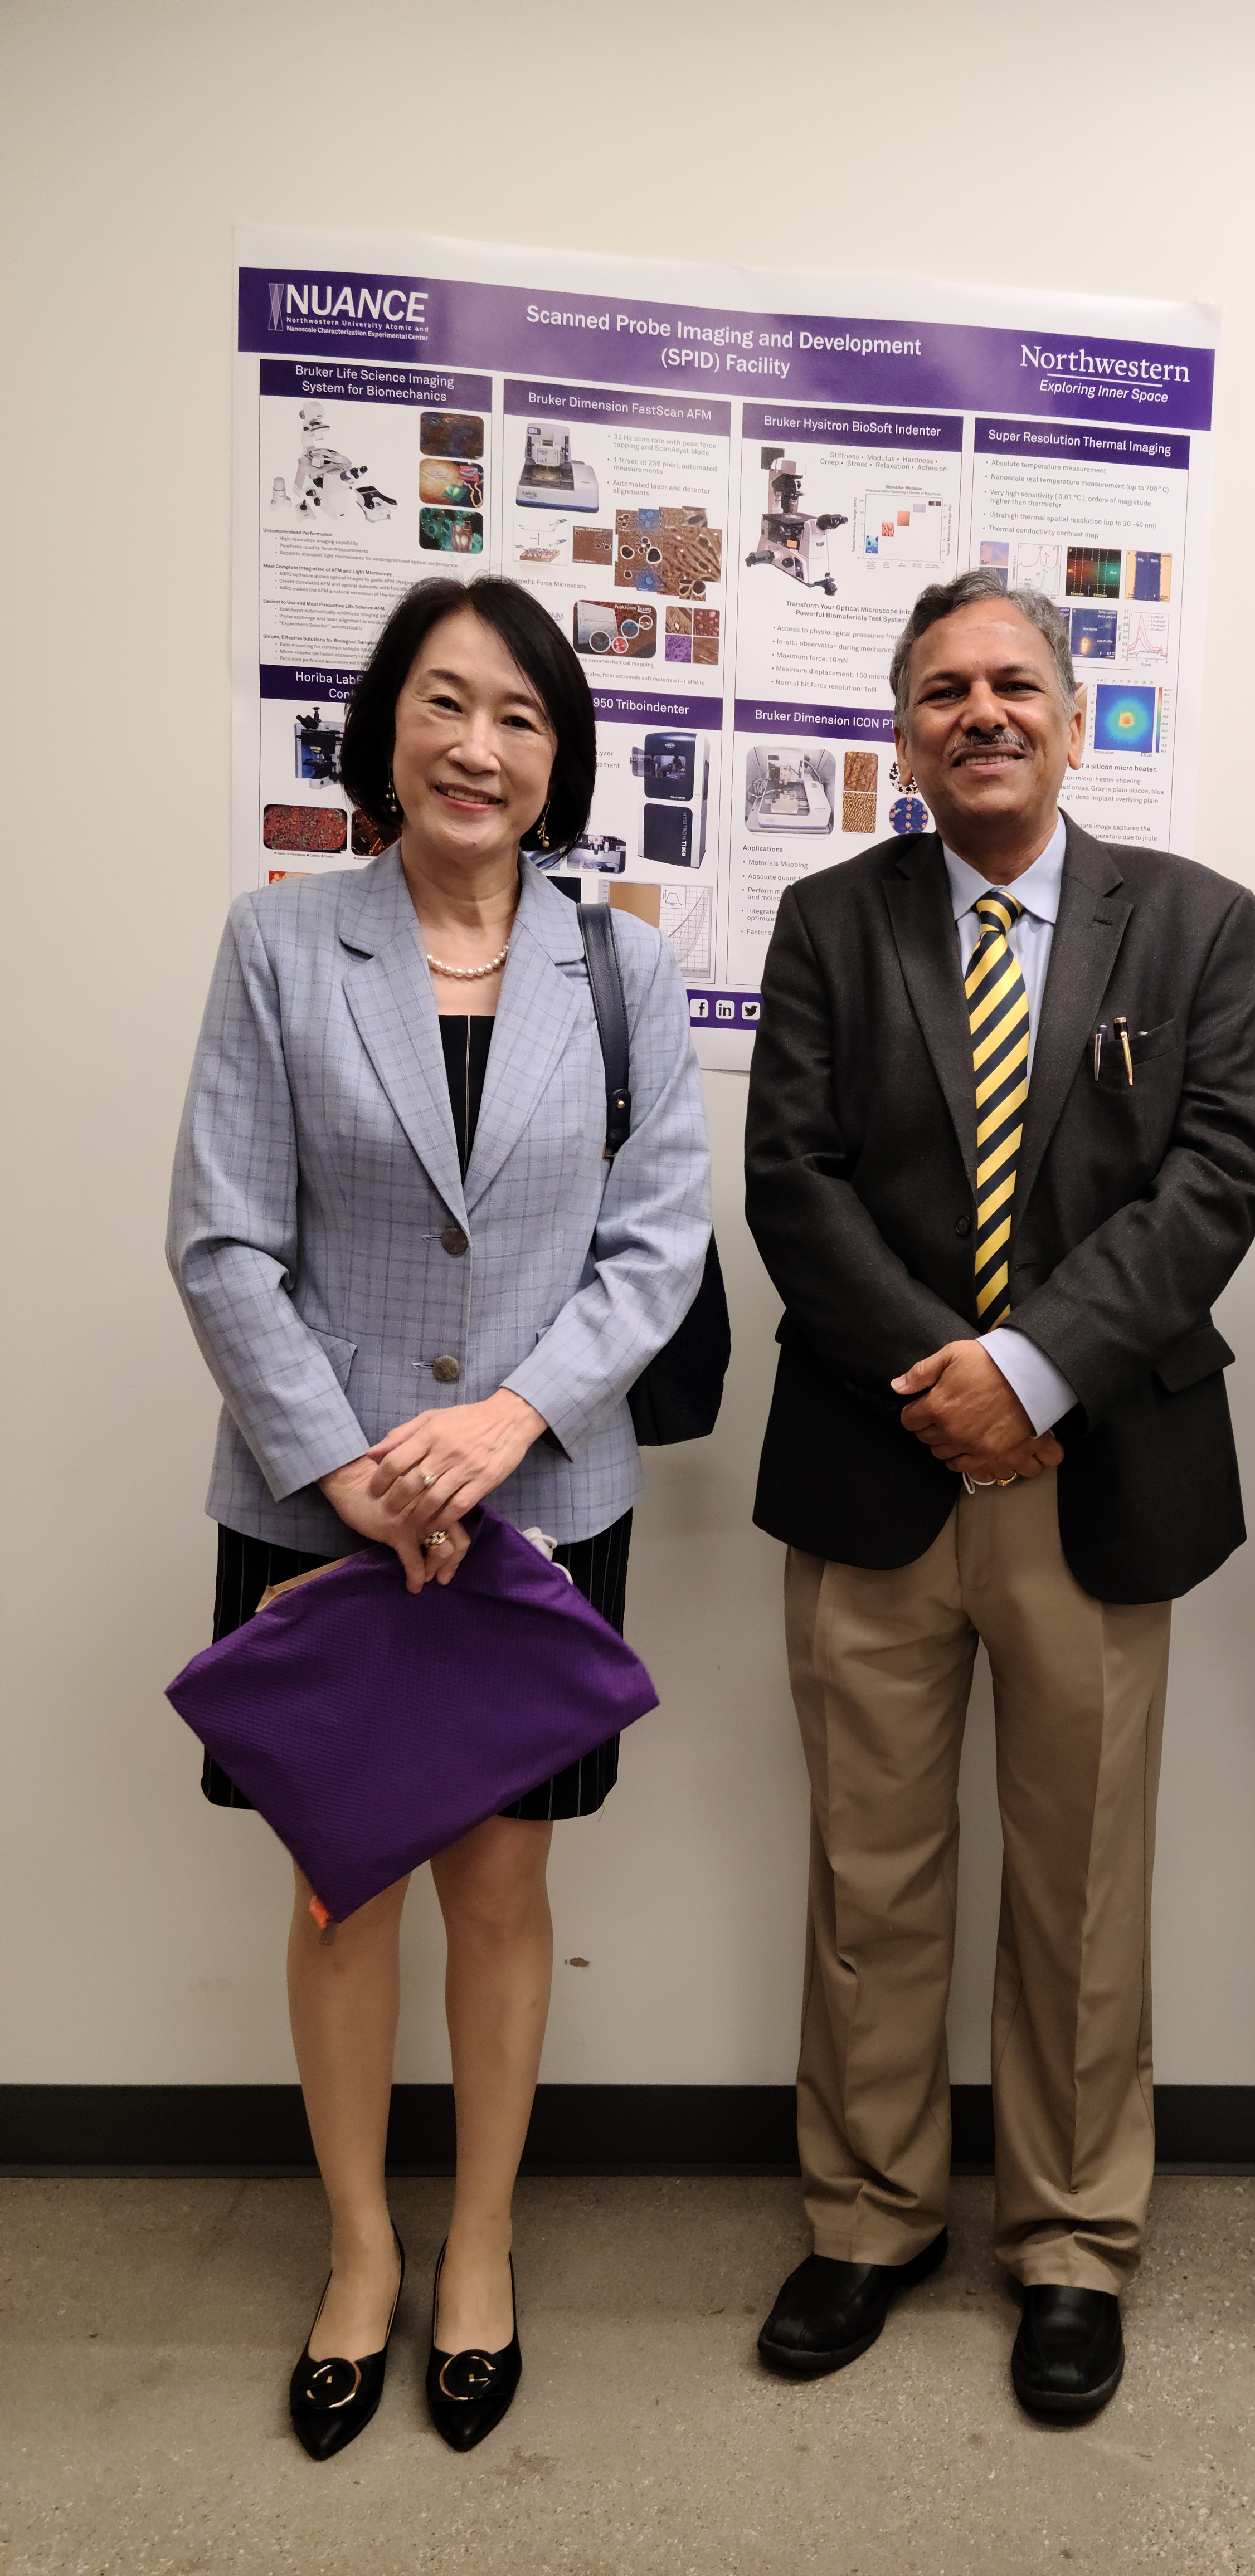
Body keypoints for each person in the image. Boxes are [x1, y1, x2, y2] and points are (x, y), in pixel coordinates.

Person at [167, 578, 709, 2458]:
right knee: (339, 1886)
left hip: (541, 1500)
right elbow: (222, 1235)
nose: (481, 747)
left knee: (500, 1885)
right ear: (385, 728)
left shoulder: (622, 968)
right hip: (320, 1499)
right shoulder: (281, 945)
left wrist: (501, 1424)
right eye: (445, 706)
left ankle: (477, 2250)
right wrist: (349, 1471)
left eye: (523, 719)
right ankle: (357, 2257)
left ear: (559, 759)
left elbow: (656, 1248)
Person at [742, 568, 1255, 2421]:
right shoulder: (827, 920)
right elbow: (793, 1182)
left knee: (1078, 1886)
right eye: (944, 690)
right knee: (871, 1879)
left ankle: (1067, 2242)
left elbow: (1215, 1177)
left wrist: (1034, 1369)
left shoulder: (1195, 924)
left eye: (1013, 685)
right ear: (903, 731)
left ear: (1072, 714)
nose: (981, 714)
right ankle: (869, 2218)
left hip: (1097, 1471)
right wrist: (949, 1385)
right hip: (877, 1467)